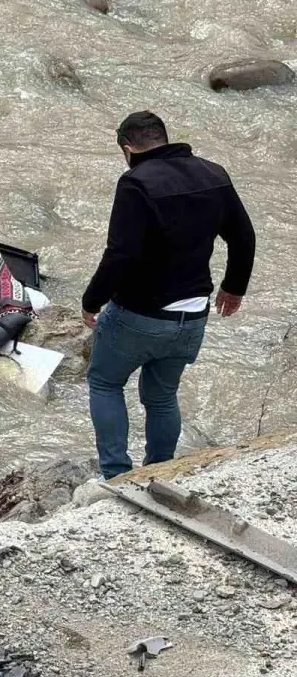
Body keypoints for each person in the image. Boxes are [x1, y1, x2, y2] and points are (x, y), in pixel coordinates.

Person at [82, 111, 255, 479]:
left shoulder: (135, 182)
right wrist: (233, 287)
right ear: (163, 137)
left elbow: (121, 254)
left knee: (104, 382)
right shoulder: (214, 173)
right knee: (161, 397)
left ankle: (116, 474)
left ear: (128, 148)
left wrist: (91, 300)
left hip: (140, 314)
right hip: (193, 315)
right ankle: (159, 473)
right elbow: (243, 237)